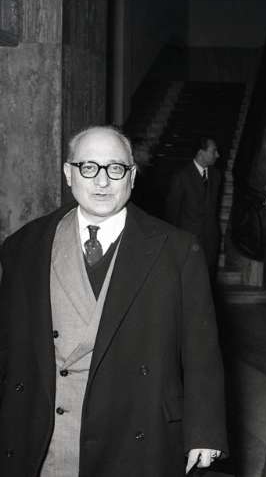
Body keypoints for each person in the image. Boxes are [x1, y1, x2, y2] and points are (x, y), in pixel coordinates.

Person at [0, 126, 227, 476]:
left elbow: (201, 350)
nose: (102, 181)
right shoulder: (23, 246)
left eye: (115, 168)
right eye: (88, 167)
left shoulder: (177, 250)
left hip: (136, 429)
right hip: (44, 431)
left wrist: (205, 431)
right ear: (68, 174)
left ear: (132, 176)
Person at [164, 136, 222, 278]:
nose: (218, 155)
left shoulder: (216, 176)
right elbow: (172, 213)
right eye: (214, 151)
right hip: (188, 243)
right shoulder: (181, 176)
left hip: (210, 243)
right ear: (201, 153)